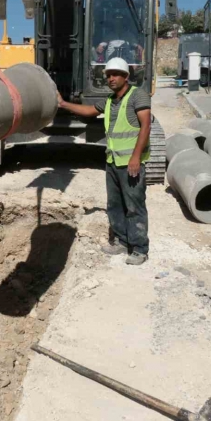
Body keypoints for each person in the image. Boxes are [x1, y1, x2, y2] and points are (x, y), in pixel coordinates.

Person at [56, 57, 151, 265]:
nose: (111, 78)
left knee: (134, 206)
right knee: (114, 204)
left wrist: (136, 157)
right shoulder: (109, 100)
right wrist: (63, 104)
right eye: (108, 75)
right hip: (113, 162)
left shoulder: (137, 96)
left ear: (126, 76)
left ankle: (139, 248)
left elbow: (145, 126)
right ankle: (121, 241)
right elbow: (89, 111)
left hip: (131, 164)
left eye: (115, 74)